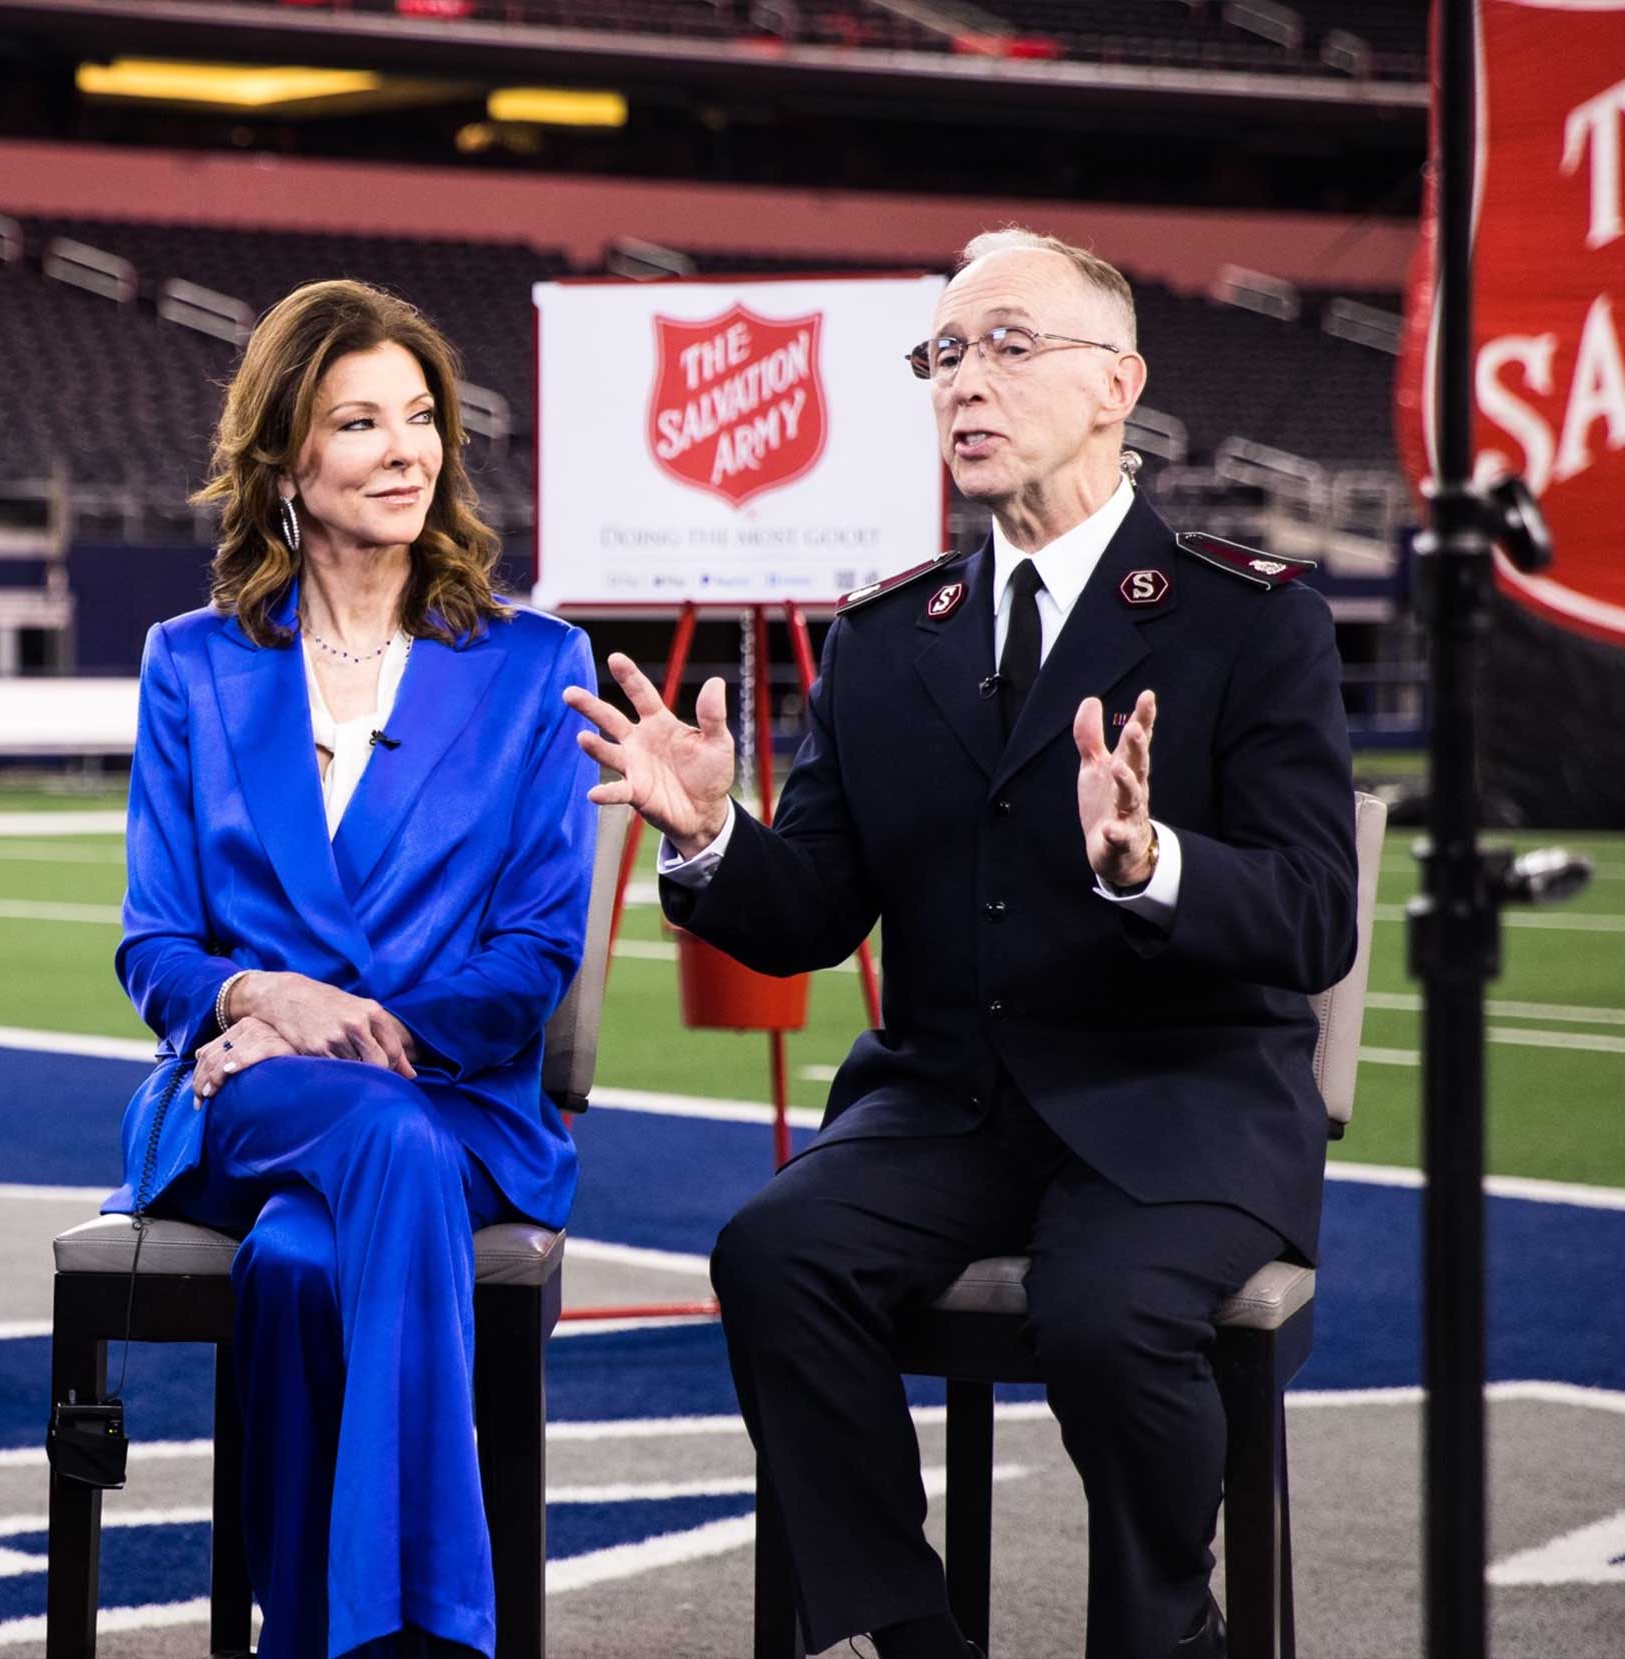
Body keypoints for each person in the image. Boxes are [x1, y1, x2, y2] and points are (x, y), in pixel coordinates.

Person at [565, 229, 1358, 1659]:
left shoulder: (1253, 624)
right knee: (771, 1253)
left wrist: (1152, 861)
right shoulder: (887, 638)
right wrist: (710, 837)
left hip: (1179, 1111)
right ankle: (914, 1641)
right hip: (947, 1109)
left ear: (1118, 385)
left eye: (1004, 345)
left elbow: (1311, 916)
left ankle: (1164, 1636)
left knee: (1109, 1321)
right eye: (941, 356)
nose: (960, 384)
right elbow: (810, 912)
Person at [109, 278, 597, 1658]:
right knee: (374, 1153)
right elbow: (156, 944)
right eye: (359, 421)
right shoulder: (192, 667)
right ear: (285, 461)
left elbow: (534, 956)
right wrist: (257, 999)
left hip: (457, 1102)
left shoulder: (532, 668)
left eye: (423, 417)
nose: (406, 449)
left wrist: (340, 1026)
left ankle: (307, 1633)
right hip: (240, 1093)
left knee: (304, 1262)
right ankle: (423, 1630)